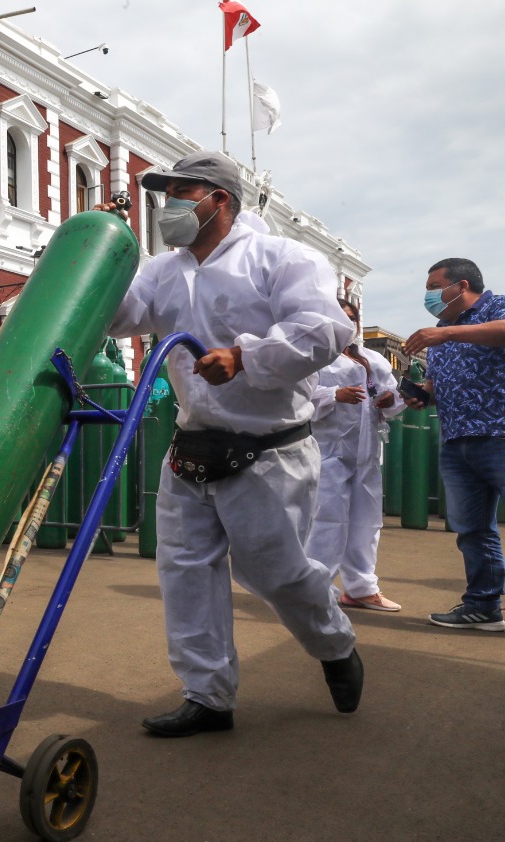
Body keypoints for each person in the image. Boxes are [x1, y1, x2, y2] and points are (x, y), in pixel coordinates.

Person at [103, 151, 362, 737]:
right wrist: (104, 257)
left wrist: (247, 357)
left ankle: (334, 643)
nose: (167, 205)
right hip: (193, 443)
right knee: (186, 570)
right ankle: (208, 695)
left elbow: (325, 328)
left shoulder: (281, 258)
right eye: (163, 194)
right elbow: (120, 317)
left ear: (218, 198)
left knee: (276, 573)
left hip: (268, 450)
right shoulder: (161, 270)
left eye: (179, 192)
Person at [401, 258, 505, 632]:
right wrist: (421, 396)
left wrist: (444, 335)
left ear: (460, 286)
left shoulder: (496, 306)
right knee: (473, 529)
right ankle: (483, 606)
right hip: (457, 441)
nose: (429, 294)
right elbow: (433, 387)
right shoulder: (441, 328)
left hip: (499, 434)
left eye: (433, 285)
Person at [306, 298, 405, 612]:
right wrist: (334, 395)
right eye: (340, 317)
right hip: (327, 452)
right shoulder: (311, 356)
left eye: (353, 318)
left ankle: (361, 588)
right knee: (326, 522)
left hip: (366, 452)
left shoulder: (372, 359)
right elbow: (294, 397)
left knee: (366, 522)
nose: (348, 324)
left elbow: (390, 395)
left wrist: (391, 400)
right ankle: (316, 591)